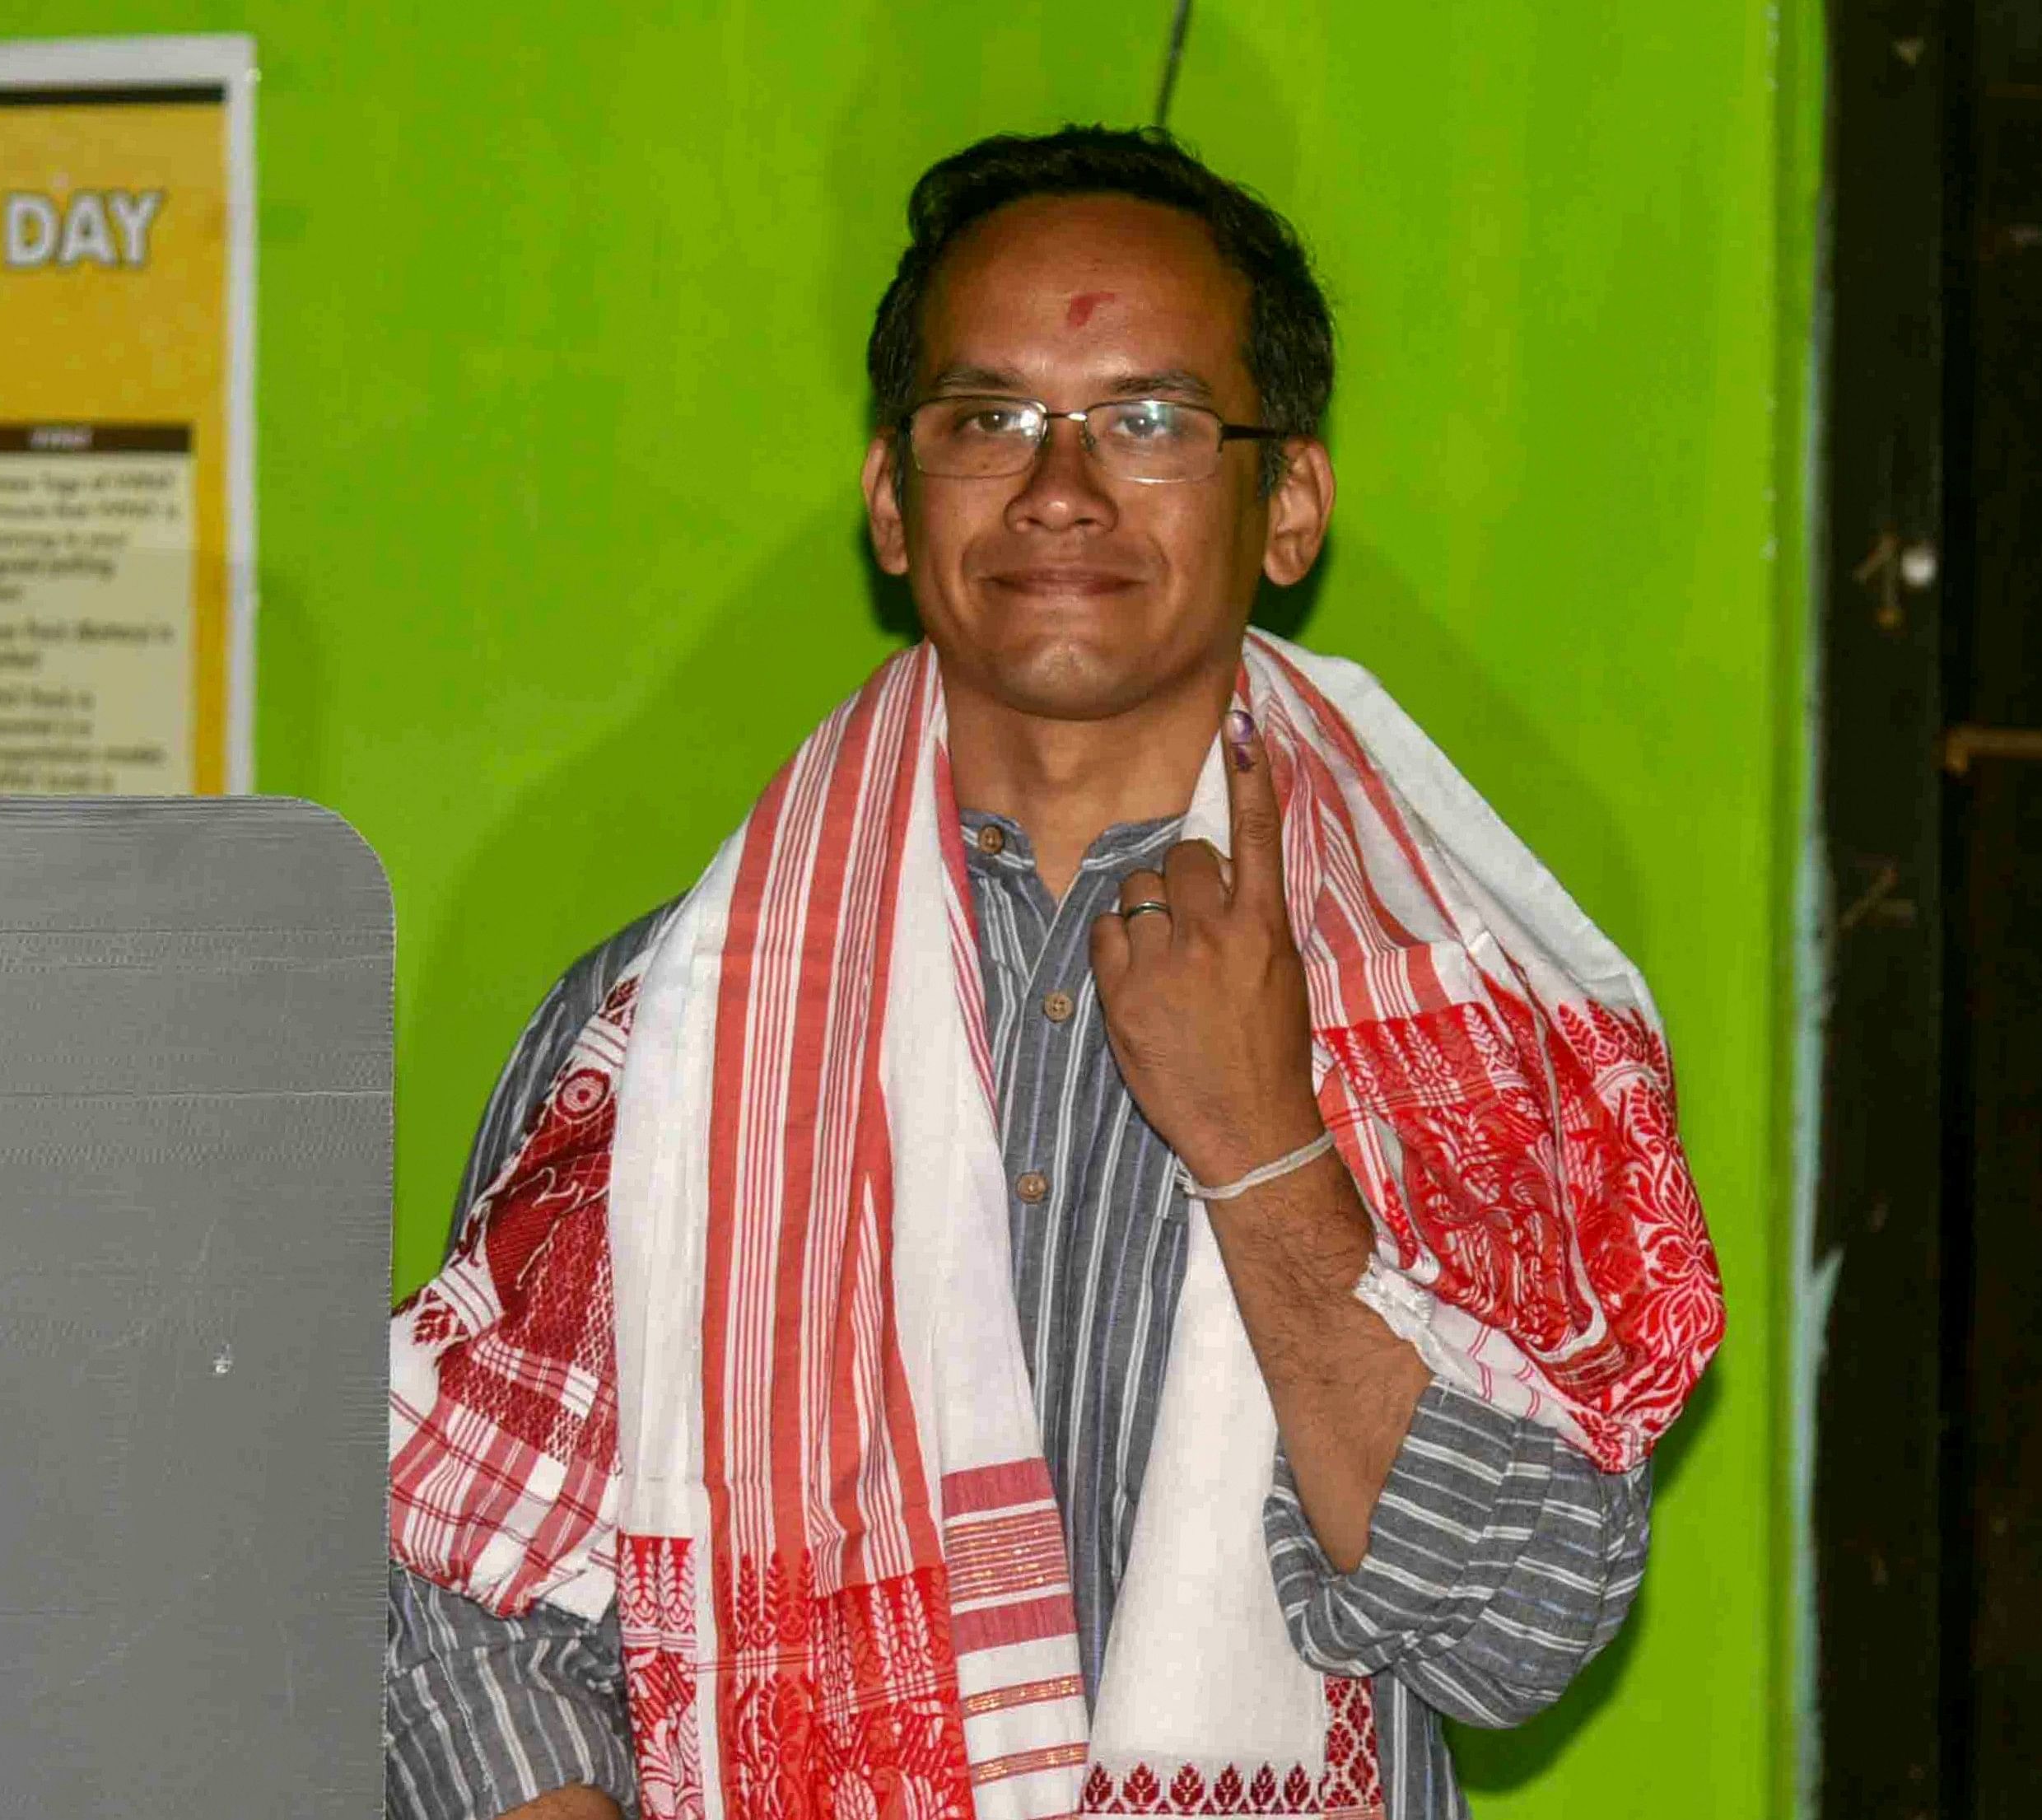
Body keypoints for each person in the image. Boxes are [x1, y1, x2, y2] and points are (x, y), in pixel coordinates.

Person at [387, 126, 1723, 1820]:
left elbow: (1515, 1628)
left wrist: (1264, 1150)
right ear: (890, 498)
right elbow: (451, 1568)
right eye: (985, 419)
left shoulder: (1445, 1005)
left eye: (1150, 419)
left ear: (1289, 503)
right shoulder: (669, 1018)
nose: (1059, 488)